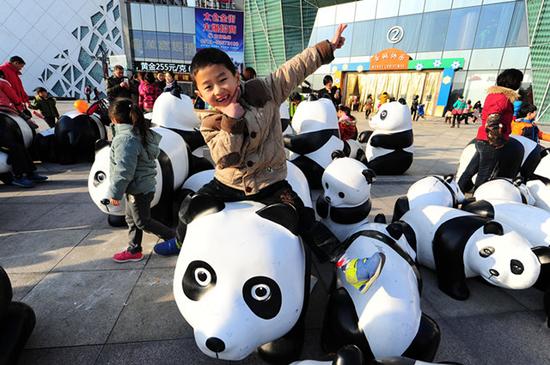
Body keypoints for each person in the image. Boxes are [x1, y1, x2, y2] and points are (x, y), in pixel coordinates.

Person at [153, 24, 385, 285]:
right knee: (188, 208)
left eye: (222, 79)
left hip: (270, 182)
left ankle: (349, 267)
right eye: (208, 87)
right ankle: (181, 240)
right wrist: (231, 122)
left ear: (236, 76)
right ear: (200, 94)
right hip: (229, 183)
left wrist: (326, 48)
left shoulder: (266, 91)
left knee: (306, 218)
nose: (218, 90)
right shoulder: (210, 121)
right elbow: (224, 158)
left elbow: (295, 68)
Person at [107, 98, 176, 263]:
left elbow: (124, 171)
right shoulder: (137, 132)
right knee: (131, 219)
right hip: (140, 186)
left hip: (138, 189)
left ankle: (174, 237)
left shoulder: (125, 140)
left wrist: (115, 193)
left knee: (142, 221)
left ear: (114, 119)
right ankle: (134, 249)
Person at [458, 69, 524, 192]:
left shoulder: (494, 95)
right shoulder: (503, 98)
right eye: (519, 80)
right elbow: (492, 120)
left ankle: (457, 191)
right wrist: (496, 141)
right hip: (490, 141)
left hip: (483, 138)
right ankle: (478, 198)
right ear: (513, 82)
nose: (520, 83)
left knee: (471, 169)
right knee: (484, 173)